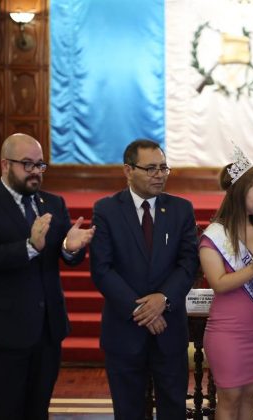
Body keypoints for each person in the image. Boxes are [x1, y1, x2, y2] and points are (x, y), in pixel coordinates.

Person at [0, 133, 95, 419]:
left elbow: (66, 256)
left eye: (40, 164)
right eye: (27, 164)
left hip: (47, 331)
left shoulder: (53, 203)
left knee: (38, 411)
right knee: (7, 412)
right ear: (5, 164)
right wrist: (30, 246)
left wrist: (70, 248)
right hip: (2, 333)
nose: (35, 171)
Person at [89, 139, 199, 419]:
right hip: (125, 330)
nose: (159, 175)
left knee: (173, 409)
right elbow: (102, 269)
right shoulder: (106, 210)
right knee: (128, 411)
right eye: (151, 169)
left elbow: (188, 263)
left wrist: (163, 299)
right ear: (128, 170)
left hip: (169, 329)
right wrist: (142, 310)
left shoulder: (181, 209)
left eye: (163, 168)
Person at [199, 147, 253, 420]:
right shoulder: (214, 235)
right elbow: (219, 284)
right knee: (230, 397)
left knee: (249, 396)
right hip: (228, 331)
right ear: (240, 193)